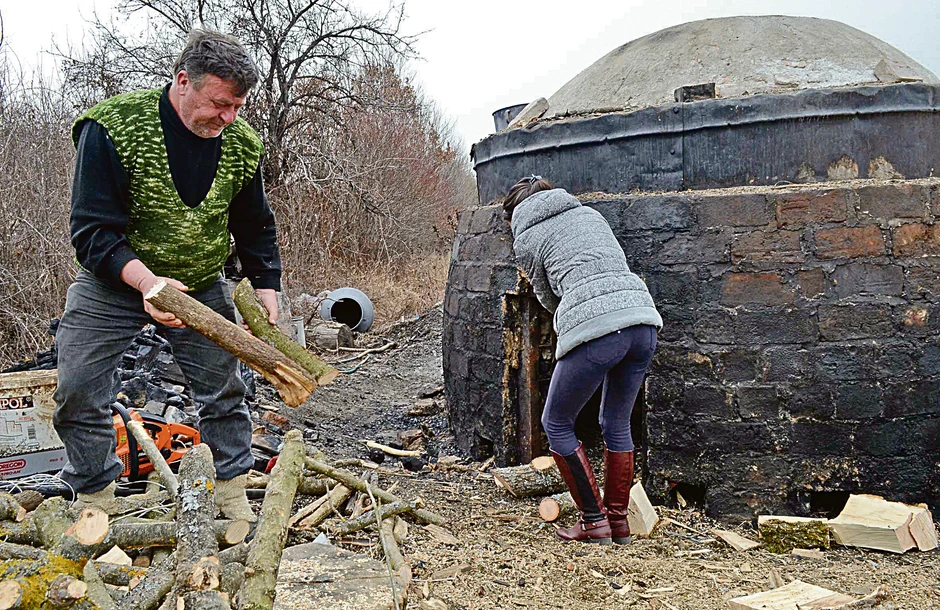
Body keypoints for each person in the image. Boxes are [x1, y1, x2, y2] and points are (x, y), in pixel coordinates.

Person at [54, 29, 281, 521]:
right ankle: (94, 497)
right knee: (78, 387)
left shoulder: (240, 144)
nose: (228, 118)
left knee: (224, 391)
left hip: (200, 284)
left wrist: (266, 285)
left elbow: (254, 223)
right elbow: (92, 231)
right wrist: (145, 283)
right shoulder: (114, 127)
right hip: (114, 280)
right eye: (219, 104)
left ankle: (231, 495)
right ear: (183, 81)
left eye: (237, 107)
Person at [505, 176, 662, 545]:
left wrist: (575, 318)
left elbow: (546, 296)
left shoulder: (525, 237)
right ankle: (619, 524)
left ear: (515, 211)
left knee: (556, 422)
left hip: (598, 327)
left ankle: (594, 523)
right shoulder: (590, 214)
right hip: (642, 320)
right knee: (615, 421)